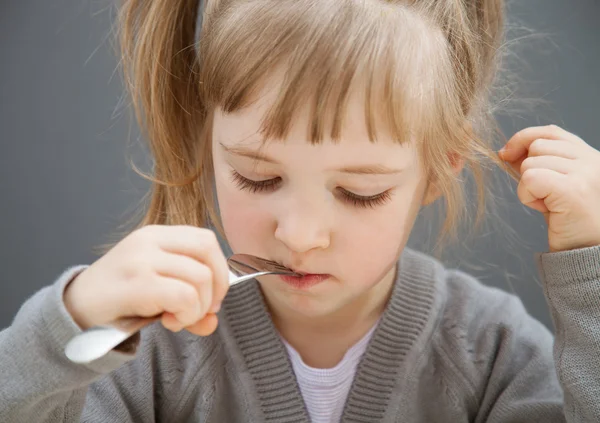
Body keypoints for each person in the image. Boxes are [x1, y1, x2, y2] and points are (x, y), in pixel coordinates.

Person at [1, 0, 600, 421]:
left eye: (359, 191)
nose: (300, 235)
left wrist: (592, 276)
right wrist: (67, 326)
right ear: (206, 141)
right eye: (256, 177)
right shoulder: (152, 349)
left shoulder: (491, 350)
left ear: (440, 169)